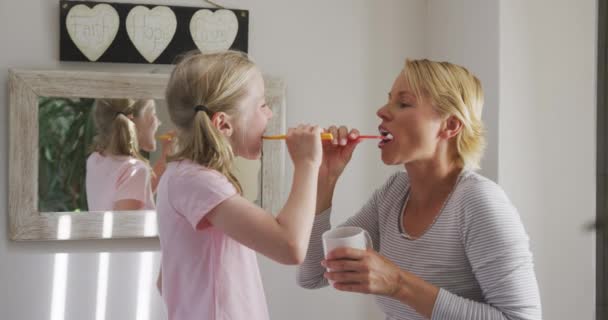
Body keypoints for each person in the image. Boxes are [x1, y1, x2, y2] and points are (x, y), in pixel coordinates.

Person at [297, 59, 542, 319]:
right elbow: (312, 274)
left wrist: (399, 284)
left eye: (403, 103)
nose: (381, 111)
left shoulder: (478, 201)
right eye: (389, 100)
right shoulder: (394, 192)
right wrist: (326, 177)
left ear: (450, 126)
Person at [156, 50, 322, 320]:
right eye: (262, 105)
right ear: (223, 123)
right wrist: (307, 164)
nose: (269, 114)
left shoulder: (180, 177)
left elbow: (164, 280)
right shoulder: (197, 181)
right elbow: (290, 246)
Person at [86, 98, 170, 211]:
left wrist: (166, 155)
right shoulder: (134, 170)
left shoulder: (95, 159)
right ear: (133, 121)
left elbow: (136, 191)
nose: (158, 122)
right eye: (153, 114)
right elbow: (125, 226)